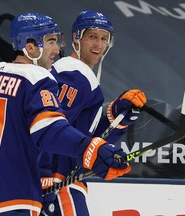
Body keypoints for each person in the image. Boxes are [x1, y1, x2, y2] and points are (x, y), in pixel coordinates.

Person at [0, 12, 132, 216]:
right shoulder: (37, 77)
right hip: (9, 198)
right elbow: (50, 130)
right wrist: (90, 149)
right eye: (51, 41)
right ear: (30, 47)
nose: (57, 49)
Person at [39, 10, 147, 216]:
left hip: (67, 180)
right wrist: (44, 177)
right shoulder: (74, 74)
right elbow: (49, 128)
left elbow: (86, 137)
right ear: (76, 38)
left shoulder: (79, 75)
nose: (98, 45)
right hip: (58, 183)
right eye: (92, 37)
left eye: (104, 38)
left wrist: (116, 117)